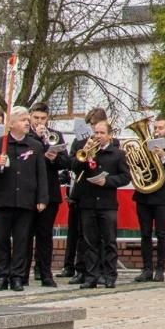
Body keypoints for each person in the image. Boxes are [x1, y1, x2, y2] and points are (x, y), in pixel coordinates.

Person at [0, 106, 49, 291]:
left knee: (22, 240)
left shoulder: (35, 146)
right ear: (11, 124)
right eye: (22, 120)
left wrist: (42, 198)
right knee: (2, 240)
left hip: (25, 200)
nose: (27, 123)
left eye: (27, 120)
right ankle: (2, 275)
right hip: (3, 199)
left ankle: (18, 276)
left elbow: (41, 174)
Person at [70, 117, 130, 289]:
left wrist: (108, 182)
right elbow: (74, 167)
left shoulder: (118, 154)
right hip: (88, 203)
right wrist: (85, 152)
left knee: (109, 241)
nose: (98, 136)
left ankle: (110, 275)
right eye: (96, 132)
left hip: (107, 204)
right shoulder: (88, 150)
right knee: (90, 243)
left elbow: (126, 177)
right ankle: (91, 276)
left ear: (109, 136)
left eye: (102, 133)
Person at [132, 116, 165, 282]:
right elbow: (136, 167)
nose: (157, 131)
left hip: (161, 198)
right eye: (155, 128)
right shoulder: (144, 146)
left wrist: (163, 157)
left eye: (160, 128)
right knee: (145, 234)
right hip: (144, 196)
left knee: (161, 233)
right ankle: (147, 269)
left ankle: (160, 269)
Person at [63, 106, 107, 281]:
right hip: (83, 192)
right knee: (82, 234)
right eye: (91, 126)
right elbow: (72, 165)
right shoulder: (80, 142)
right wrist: (86, 150)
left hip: (102, 193)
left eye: (96, 126)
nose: (93, 131)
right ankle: (81, 270)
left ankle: (102, 271)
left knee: (102, 235)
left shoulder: (111, 142)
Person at [28, 102, 67, 286]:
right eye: (36, 118)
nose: (39, 122)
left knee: (45, 235)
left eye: (43, 118)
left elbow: (66, 161)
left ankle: (45, 273)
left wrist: (55, 158)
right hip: (29, 191)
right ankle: (21, 273)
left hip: (49, 191)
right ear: (30, 117)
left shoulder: (55, 136)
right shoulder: (25, 136)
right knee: (25, 234)